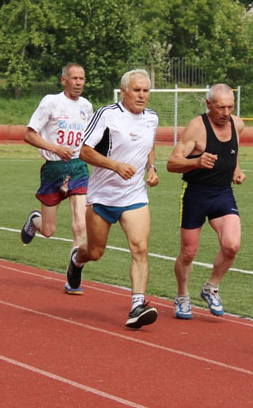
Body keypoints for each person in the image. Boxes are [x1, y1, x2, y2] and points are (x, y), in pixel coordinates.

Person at [65, 69, 160, 328]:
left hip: (134, 196)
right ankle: (77, 259)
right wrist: (115, 166)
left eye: (146, 90)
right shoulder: (108, 115)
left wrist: (151, 168)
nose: (142, 95)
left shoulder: (152, 118)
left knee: (139, 247)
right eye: (137, 90)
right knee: (95, 251)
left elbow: (149, 144)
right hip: (103, 197)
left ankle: (137, 306)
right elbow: (84, 151)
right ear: (124, 91)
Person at [166, 83, 246, 320]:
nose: (226, 112)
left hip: (223, 193)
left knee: (232, 245)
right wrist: (196, 162)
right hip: (196, 194)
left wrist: (236, 169)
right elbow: (172, 163)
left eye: (230, 106)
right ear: (209, 104)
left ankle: (211, 287)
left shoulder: (237, 124)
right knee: (189, 252)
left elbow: (234, 149)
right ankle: (182, 296)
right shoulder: (196, 128)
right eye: (221, 107)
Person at [19, 63, 93, 293]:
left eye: (82, 78)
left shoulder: (87, 106)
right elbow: (29, 135)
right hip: (54, 168)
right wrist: (55, 148)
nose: (79, 82)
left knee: (80, 224)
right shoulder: (50, 102)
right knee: (49, 230)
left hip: (79, 168)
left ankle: (73, 277)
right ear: (64, 80)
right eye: (74, 78)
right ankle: (35, 220)